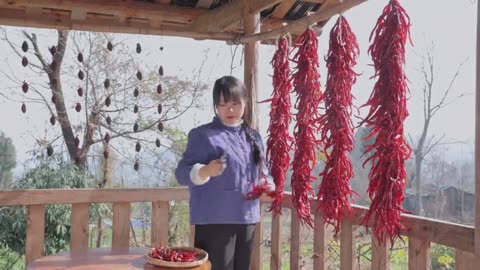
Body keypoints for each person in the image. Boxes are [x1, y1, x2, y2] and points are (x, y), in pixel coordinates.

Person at [175, 75, 274, 270]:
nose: (230, 110)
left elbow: (264, 173)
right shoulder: (203, 135)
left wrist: (268, 186)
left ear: (245, 103)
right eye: (223, 104)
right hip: (214, 222)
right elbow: (181, 173)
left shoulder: (253, 137)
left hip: (247, 219)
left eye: (235, 103)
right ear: (215, 106)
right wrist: (204, 171)